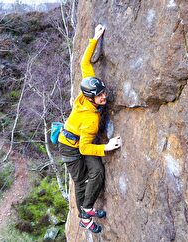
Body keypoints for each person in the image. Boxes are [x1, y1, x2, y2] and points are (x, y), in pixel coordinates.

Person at [58, 24, 122, 233]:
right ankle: (84, 216)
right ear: (90, 97)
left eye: (103, 92)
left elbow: (84, 62)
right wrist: (107, 146)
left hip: (80, 139)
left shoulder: (88, 83)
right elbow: (85, 149)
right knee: (80, 179)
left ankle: (87, 208)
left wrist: (95, 38)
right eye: (100, 96)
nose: (104, 97)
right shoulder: (90, 120)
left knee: (97, 171)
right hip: (70, 146)